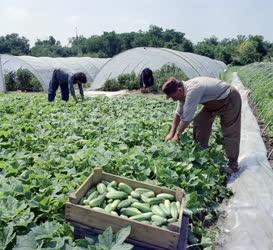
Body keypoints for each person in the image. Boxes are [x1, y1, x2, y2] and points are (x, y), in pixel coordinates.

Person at [162, 76, 242, 174]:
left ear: (179, 90)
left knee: (230, 131)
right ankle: (202, 153)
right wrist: (171, 133)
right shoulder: (182, 92)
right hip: (213, 104)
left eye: (173, 97)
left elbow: (186, 118)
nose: (173, 100)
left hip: (229, 99)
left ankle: (233, 164)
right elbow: (178, 113)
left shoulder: (193, 90)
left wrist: (177, 136)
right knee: (200, 122)